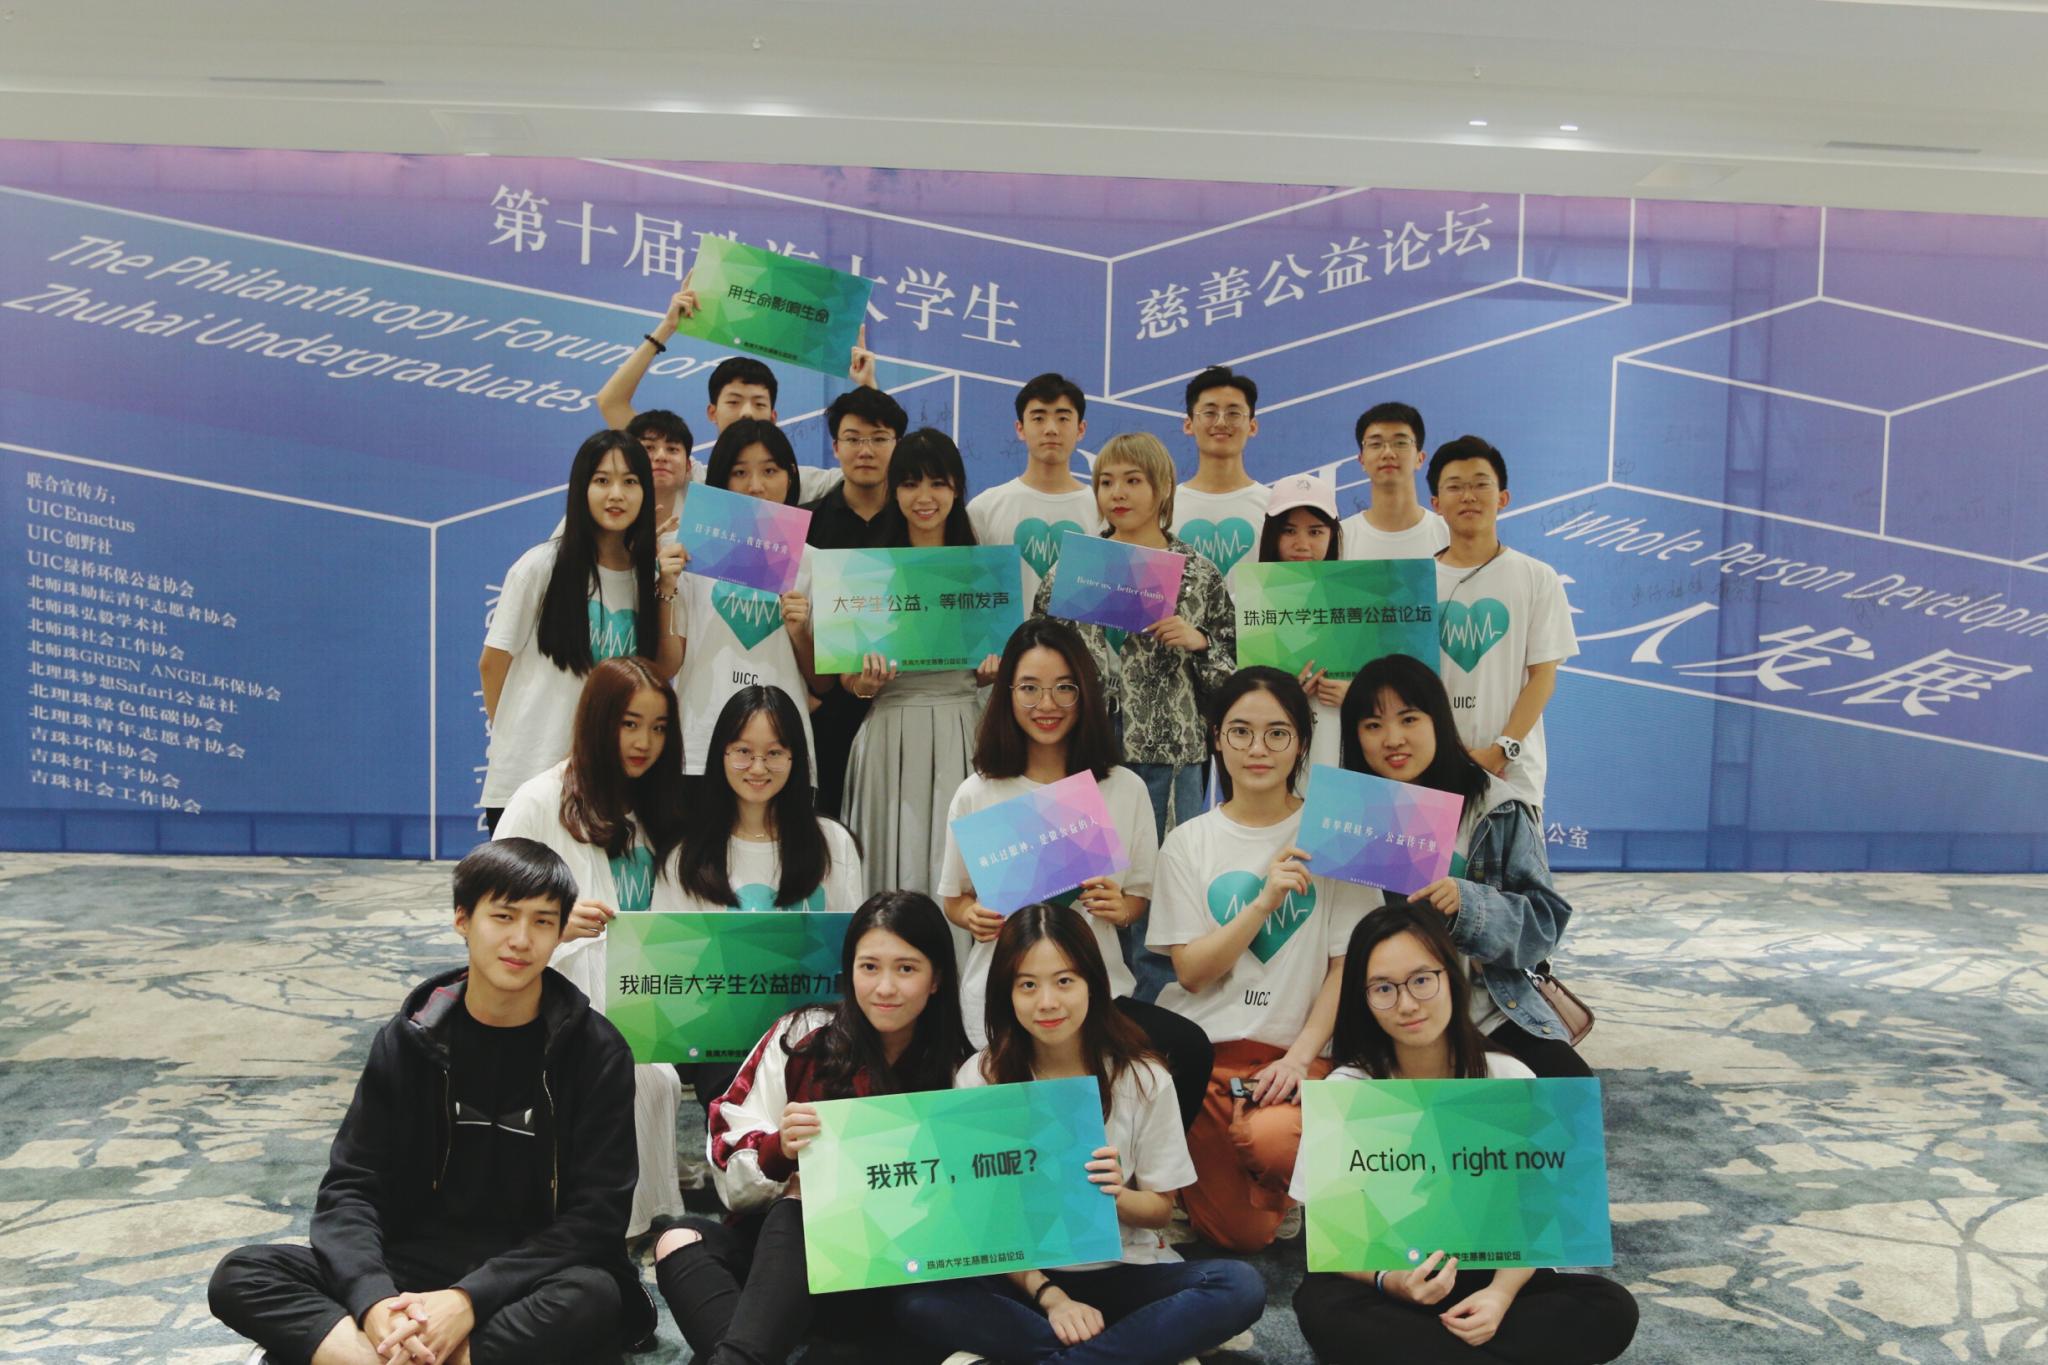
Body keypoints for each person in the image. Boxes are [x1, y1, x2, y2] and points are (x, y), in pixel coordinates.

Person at [208, 840, 655, 1365]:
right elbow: (351, 1186)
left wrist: (468, 1299)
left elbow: (597, 1217)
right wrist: (374, 1301)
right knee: (242, 1273)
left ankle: (370, 1356)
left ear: (560, 934)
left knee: (591, 1298)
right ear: (462, 919)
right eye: (503, 916)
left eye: (542, 922)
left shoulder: (596, 1051)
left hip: (530, 1273)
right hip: (411, 1265)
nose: (521, 939)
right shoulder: (411, 1039)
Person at [894, 904, 1266, 1365]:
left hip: (1122, 1270)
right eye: (1027, 985)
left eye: (1064, 981)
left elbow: (1159, 1210)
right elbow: (987, 1228)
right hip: (1026, 1279)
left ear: (1093, 982)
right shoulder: (981, 1078)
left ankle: (1064, 1354)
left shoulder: (1143, 1078)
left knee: (1240, 1286)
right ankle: (1127, 1349)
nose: (1048, 1002)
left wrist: (1118, 1196)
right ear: (1006, 993)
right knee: (918, 1297)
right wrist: (1052, 1297)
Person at [1290, 903, 1638, 1364]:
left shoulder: (1508, 1077)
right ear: (1363, 999)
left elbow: (1536, 1219)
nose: (1407, 1004)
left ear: (1452, 977)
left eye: (1421, 980)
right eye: (1383, 989)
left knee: (1610, 1308)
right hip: (1395, 1282)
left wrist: (1500, 1296)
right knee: (1321, 1305)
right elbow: (1332, 1235)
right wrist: (1392, 1281)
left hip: (1494, 1279)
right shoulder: (1348, 1090)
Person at [648, 891, 973, 1365]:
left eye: (906, 969)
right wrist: (778, 1149)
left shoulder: (961, 1071)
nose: (885, 987)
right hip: (778, 1262)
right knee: (680, 1240)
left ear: (936, 978)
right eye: (869, 967)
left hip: (885, 1273)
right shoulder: (802, 1036)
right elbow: (730, 1164)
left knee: (810, 1197)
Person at [936, 618, 1213, 1128]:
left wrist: (1120, 907)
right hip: (1007, 998)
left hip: (1100, 991)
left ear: (1086, 693)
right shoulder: (978, 792)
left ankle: (1143, 1169)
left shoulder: (1123, 788)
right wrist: (971, 916)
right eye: (1030, 688)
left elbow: (1138, 900)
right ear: (1006, 694)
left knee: (1188, 1049)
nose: (1047, 704)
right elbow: (954, 899)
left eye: (1065, 688)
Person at [1144, 668, 1371, 1253]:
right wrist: (1263, 902)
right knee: (1237, 1235)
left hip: (1295, 1056)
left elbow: (1347, 966)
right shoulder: (1188, 842)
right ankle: (1220, 1185)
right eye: (1240, 732)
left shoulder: (1334, 833)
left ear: (1301, 742)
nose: (1258, 749)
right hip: (1205, 1058)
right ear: (1217, 738)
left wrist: (1299, 1058)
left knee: (1272, 1149)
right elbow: (1192, 974)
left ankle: (1277, 1182)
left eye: (1277, 733)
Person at [493, 656, 691, 1238]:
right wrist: (552, 924)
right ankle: (608, 1222)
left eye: (658, 728)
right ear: (598, 721)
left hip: (648, 989)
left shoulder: (658, 805)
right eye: (629, 724)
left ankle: (639, 1214)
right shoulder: (539, 800)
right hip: (561, 994)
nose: (644, 742)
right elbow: (490, 913)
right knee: (639, 1077)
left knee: (662, 1076)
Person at [1036, 431, 1236, 1000]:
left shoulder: (1198, 574)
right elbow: (1039, 652)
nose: (1117, 494)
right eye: (1105, 482)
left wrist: (1199, 643)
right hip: (1084, 751)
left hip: (1169, 757)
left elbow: (1234, 683)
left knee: (1161, 890)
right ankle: (1086, 1005)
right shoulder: (1074, 569)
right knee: (1084, 891)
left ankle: (1157, 1015)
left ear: (1163, 487)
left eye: (1132, 481)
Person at [1339, 653, 1590, 1077]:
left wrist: (1470, 904)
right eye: (1373, 725)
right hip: (1386, 1011)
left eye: (1409, 719)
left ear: (1438, 721)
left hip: (1486, 1010)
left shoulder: (1496, 808)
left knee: (1569, 1092)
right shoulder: (1347, 817)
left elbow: (1543, 928)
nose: (1393, 739)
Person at [479, 430, 683, 832]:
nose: (616, 495)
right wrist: (516, 740)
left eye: (630, 481)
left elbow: (662, 669)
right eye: (602, 480)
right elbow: (492, 664)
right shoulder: (541, 567)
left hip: (609, 788)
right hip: (528, 781)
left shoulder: (648, 577)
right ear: (581, 489)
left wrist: (666, 589)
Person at [840, 429, 1000, 897]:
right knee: (893, 868)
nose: (924, 497)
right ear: (894, 491)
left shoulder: (984, 571)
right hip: (889, 734)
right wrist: (866, 683)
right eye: (910, 484)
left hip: (963, 729)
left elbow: (999, 663)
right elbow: (848, 678)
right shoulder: (866, 570)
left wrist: (991, 674)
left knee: (963, 869)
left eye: (938, 483)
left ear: (957, 488)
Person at [595, 282, 881, 504]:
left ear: (773, 417)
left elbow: (883, 468)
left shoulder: (798, 481)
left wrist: (867, 384)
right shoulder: (688, 475)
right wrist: (666, 328)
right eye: (733, 402)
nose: (746, 413)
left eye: (758, 404)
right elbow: (611, 403)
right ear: (712, 412)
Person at [1428, 435, 1578, 815]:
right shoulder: (1413, 584)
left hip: (1513, 776)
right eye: (1454, 487)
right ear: (1436, 503)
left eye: (1481, 484)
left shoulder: (1537, 577)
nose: (1468, 496)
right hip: (1429, 771)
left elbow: (1543, 677)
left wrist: (1501, 749)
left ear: (1503, 498)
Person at [674, 418, 819, 785]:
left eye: (770, 471)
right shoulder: (689, 553)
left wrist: (800, 633)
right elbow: (668, 659)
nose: (756, 486)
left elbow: (823, 683)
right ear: (721, 480)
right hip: (701, 743)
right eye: (740, 472)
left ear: (790, 476)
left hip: (780, 749)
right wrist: (664, 585)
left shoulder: (813, 561)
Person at [805, 386, 912, 818]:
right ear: (835, 447)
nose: (865, 450)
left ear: (897, 445)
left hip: (903, 704)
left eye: (879, 438)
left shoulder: (919, 523)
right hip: (826, 712)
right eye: (853, 439)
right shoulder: (805, 524)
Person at [676, 685, 865, 916]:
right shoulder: (685, 854)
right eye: (743, 751)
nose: (758, 768)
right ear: (720, 754)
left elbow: (853, 935)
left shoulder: (835, 843)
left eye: (774, 753)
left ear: (795, 757)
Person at [967, 372, 1101, 604]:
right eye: (1038, 418)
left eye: (1063, 418)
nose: (1051, 429)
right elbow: (968, 589)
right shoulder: (985, 508)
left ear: (1081, 429)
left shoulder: (1103, 510)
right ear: (1020, 428)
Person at [1255, 469, 1349, 769]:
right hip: (1270, 756)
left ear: (1332, 534)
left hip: (1342, 755)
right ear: (1272, 534)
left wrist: (1356, 694)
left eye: (1316, 531)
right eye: (1289, 530)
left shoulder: (1360, 599)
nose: (1302, 544)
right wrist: (1278, 693)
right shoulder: (1245, 599)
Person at [1170, 365, 1269, 582]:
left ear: (1252, 426)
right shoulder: (1164, 507)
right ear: (1188, 424)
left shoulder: (1273, 507)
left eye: (1233, 413)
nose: (1221, 422)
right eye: (1209, 413)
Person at [1342, 401, 1449, 560]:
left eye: (1400, 443)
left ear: (1420, 458)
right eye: (1375, 444)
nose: (1388, 453)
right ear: (1361, 460)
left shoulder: (1450, 535)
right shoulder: (1339, 539)